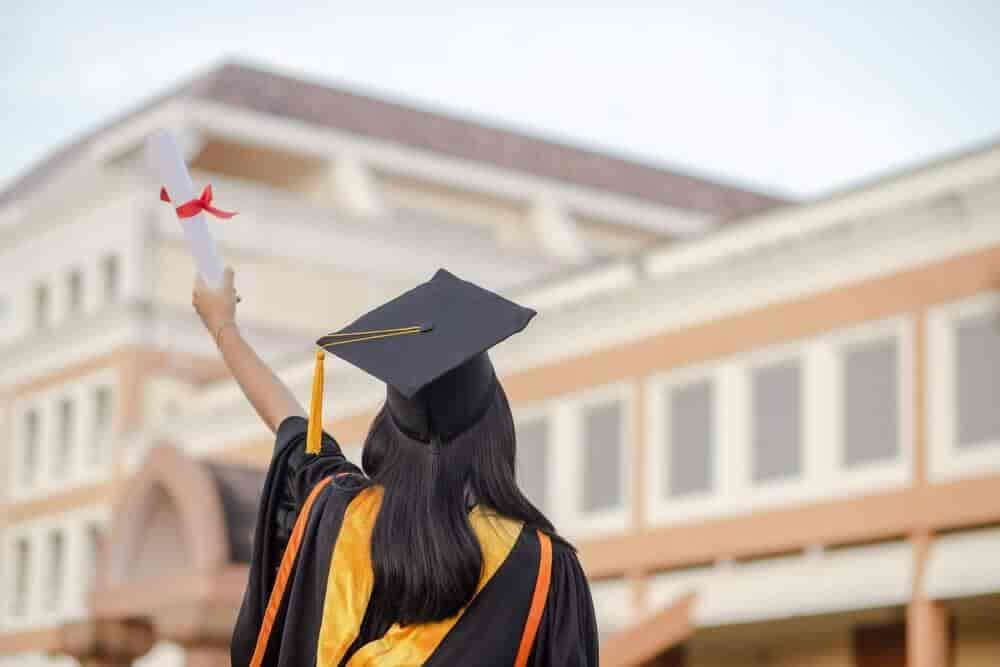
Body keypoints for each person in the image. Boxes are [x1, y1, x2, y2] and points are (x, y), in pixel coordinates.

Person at [192, 267, 599, 666]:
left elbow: (290, 421)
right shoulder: (543, 569)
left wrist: (223, 325)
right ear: (495, 429)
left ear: (388, 429)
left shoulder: (336, 515)